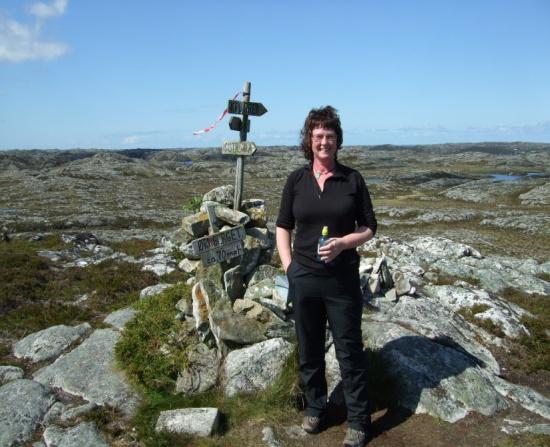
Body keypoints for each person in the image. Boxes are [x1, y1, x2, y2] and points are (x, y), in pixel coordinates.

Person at [276, 106, 377, 447]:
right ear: (309, 140)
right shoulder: (297, 180)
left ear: (338, 141)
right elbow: (282, 227)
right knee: (309, 348)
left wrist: (343, 243)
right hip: (304, 278)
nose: (323, 142)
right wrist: (290, 267)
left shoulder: (352, 180)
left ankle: (360, 421)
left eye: (329, 136)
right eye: (318, 136)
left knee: (349, 351)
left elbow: (369, 228)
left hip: (341, 280)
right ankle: (315, 408)